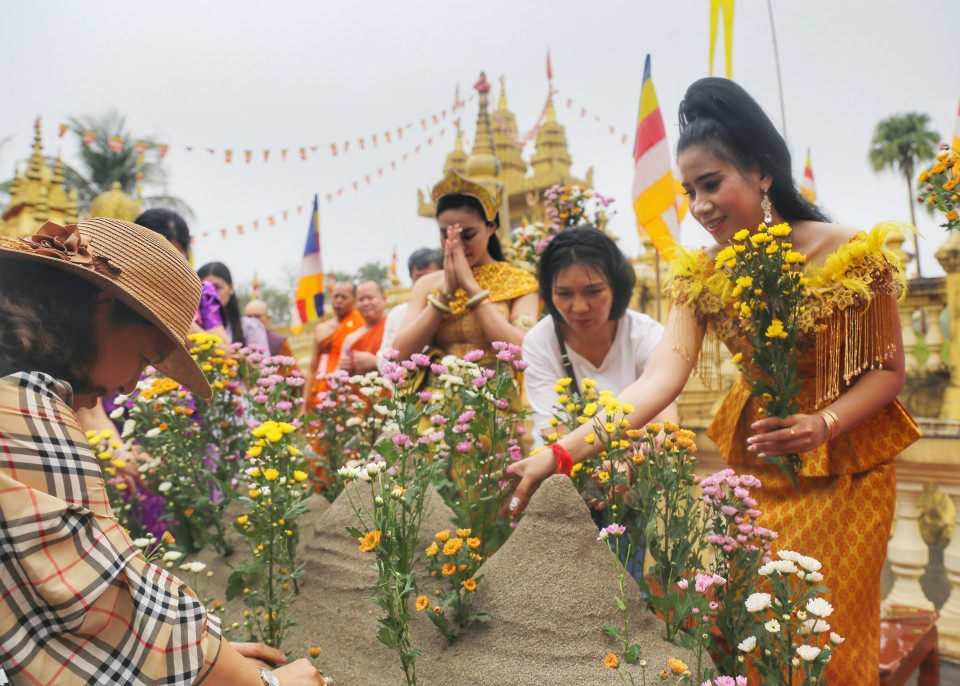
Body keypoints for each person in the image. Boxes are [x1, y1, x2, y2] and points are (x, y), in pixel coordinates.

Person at [506, 78, 919, 685]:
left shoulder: (854, 255)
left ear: (761, 173)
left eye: (711, 184)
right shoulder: (701, 275)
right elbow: (656, 383)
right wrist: (560, 453)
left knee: (824, 634)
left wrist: (821, 422)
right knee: (746, 628)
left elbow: (889, 373)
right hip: (761, 469)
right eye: (690, 191)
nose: (699, 206)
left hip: (847, 467)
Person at [0, 218, 324, 685]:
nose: (132, 383)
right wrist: (266, 682)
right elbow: (106, 598)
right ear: (102, 305)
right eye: (147, 357)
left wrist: (203, 648)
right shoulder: (23, 403)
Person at [522, 226, 678, 449]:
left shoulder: (647, 335)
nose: (579, 307)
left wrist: (631, 466)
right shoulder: (539, 342)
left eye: (593, 291)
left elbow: (665, 425)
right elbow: (554, 433)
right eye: (564, 294)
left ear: (617, 288)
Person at [393, 170, 539, 368]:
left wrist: (472, 288)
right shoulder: (427, 284)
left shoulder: (519, 281)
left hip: (494, 395)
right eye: (446, 235)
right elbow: (399, 355)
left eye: (468, 235)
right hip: (437, 393)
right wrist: (444, 295)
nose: (457, 245)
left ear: (491, 226)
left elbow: (523, 354)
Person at [377, 247, 442, 370]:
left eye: (430, 277)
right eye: (419, 278)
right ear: (410, 276)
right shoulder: (397, 313)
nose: (425, 283)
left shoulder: (452, 309)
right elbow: (386, 358)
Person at [304, 281, 364, 405]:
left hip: (348, 390)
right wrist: (304, 404)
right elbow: (312, 367)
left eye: (344, 297)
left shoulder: (362, 324)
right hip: (320, 385)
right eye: (336, 296)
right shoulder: (322, 328)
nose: (339, 300)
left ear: (354, 300)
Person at [197, 261, 270, 350]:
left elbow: (261, 362)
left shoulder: (251, 328)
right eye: (203, 288)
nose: (210, 294)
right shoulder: (190, 328)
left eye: (217, 287)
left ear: (231, 288)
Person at [339, 280, 388, 375]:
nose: (365, 303)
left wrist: (376, 362)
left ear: (384, 299)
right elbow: (339, 376)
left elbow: (404, 365)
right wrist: (343, 368)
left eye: (370, 298)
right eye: (361, 300)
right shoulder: (350, 339)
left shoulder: (394, 327)